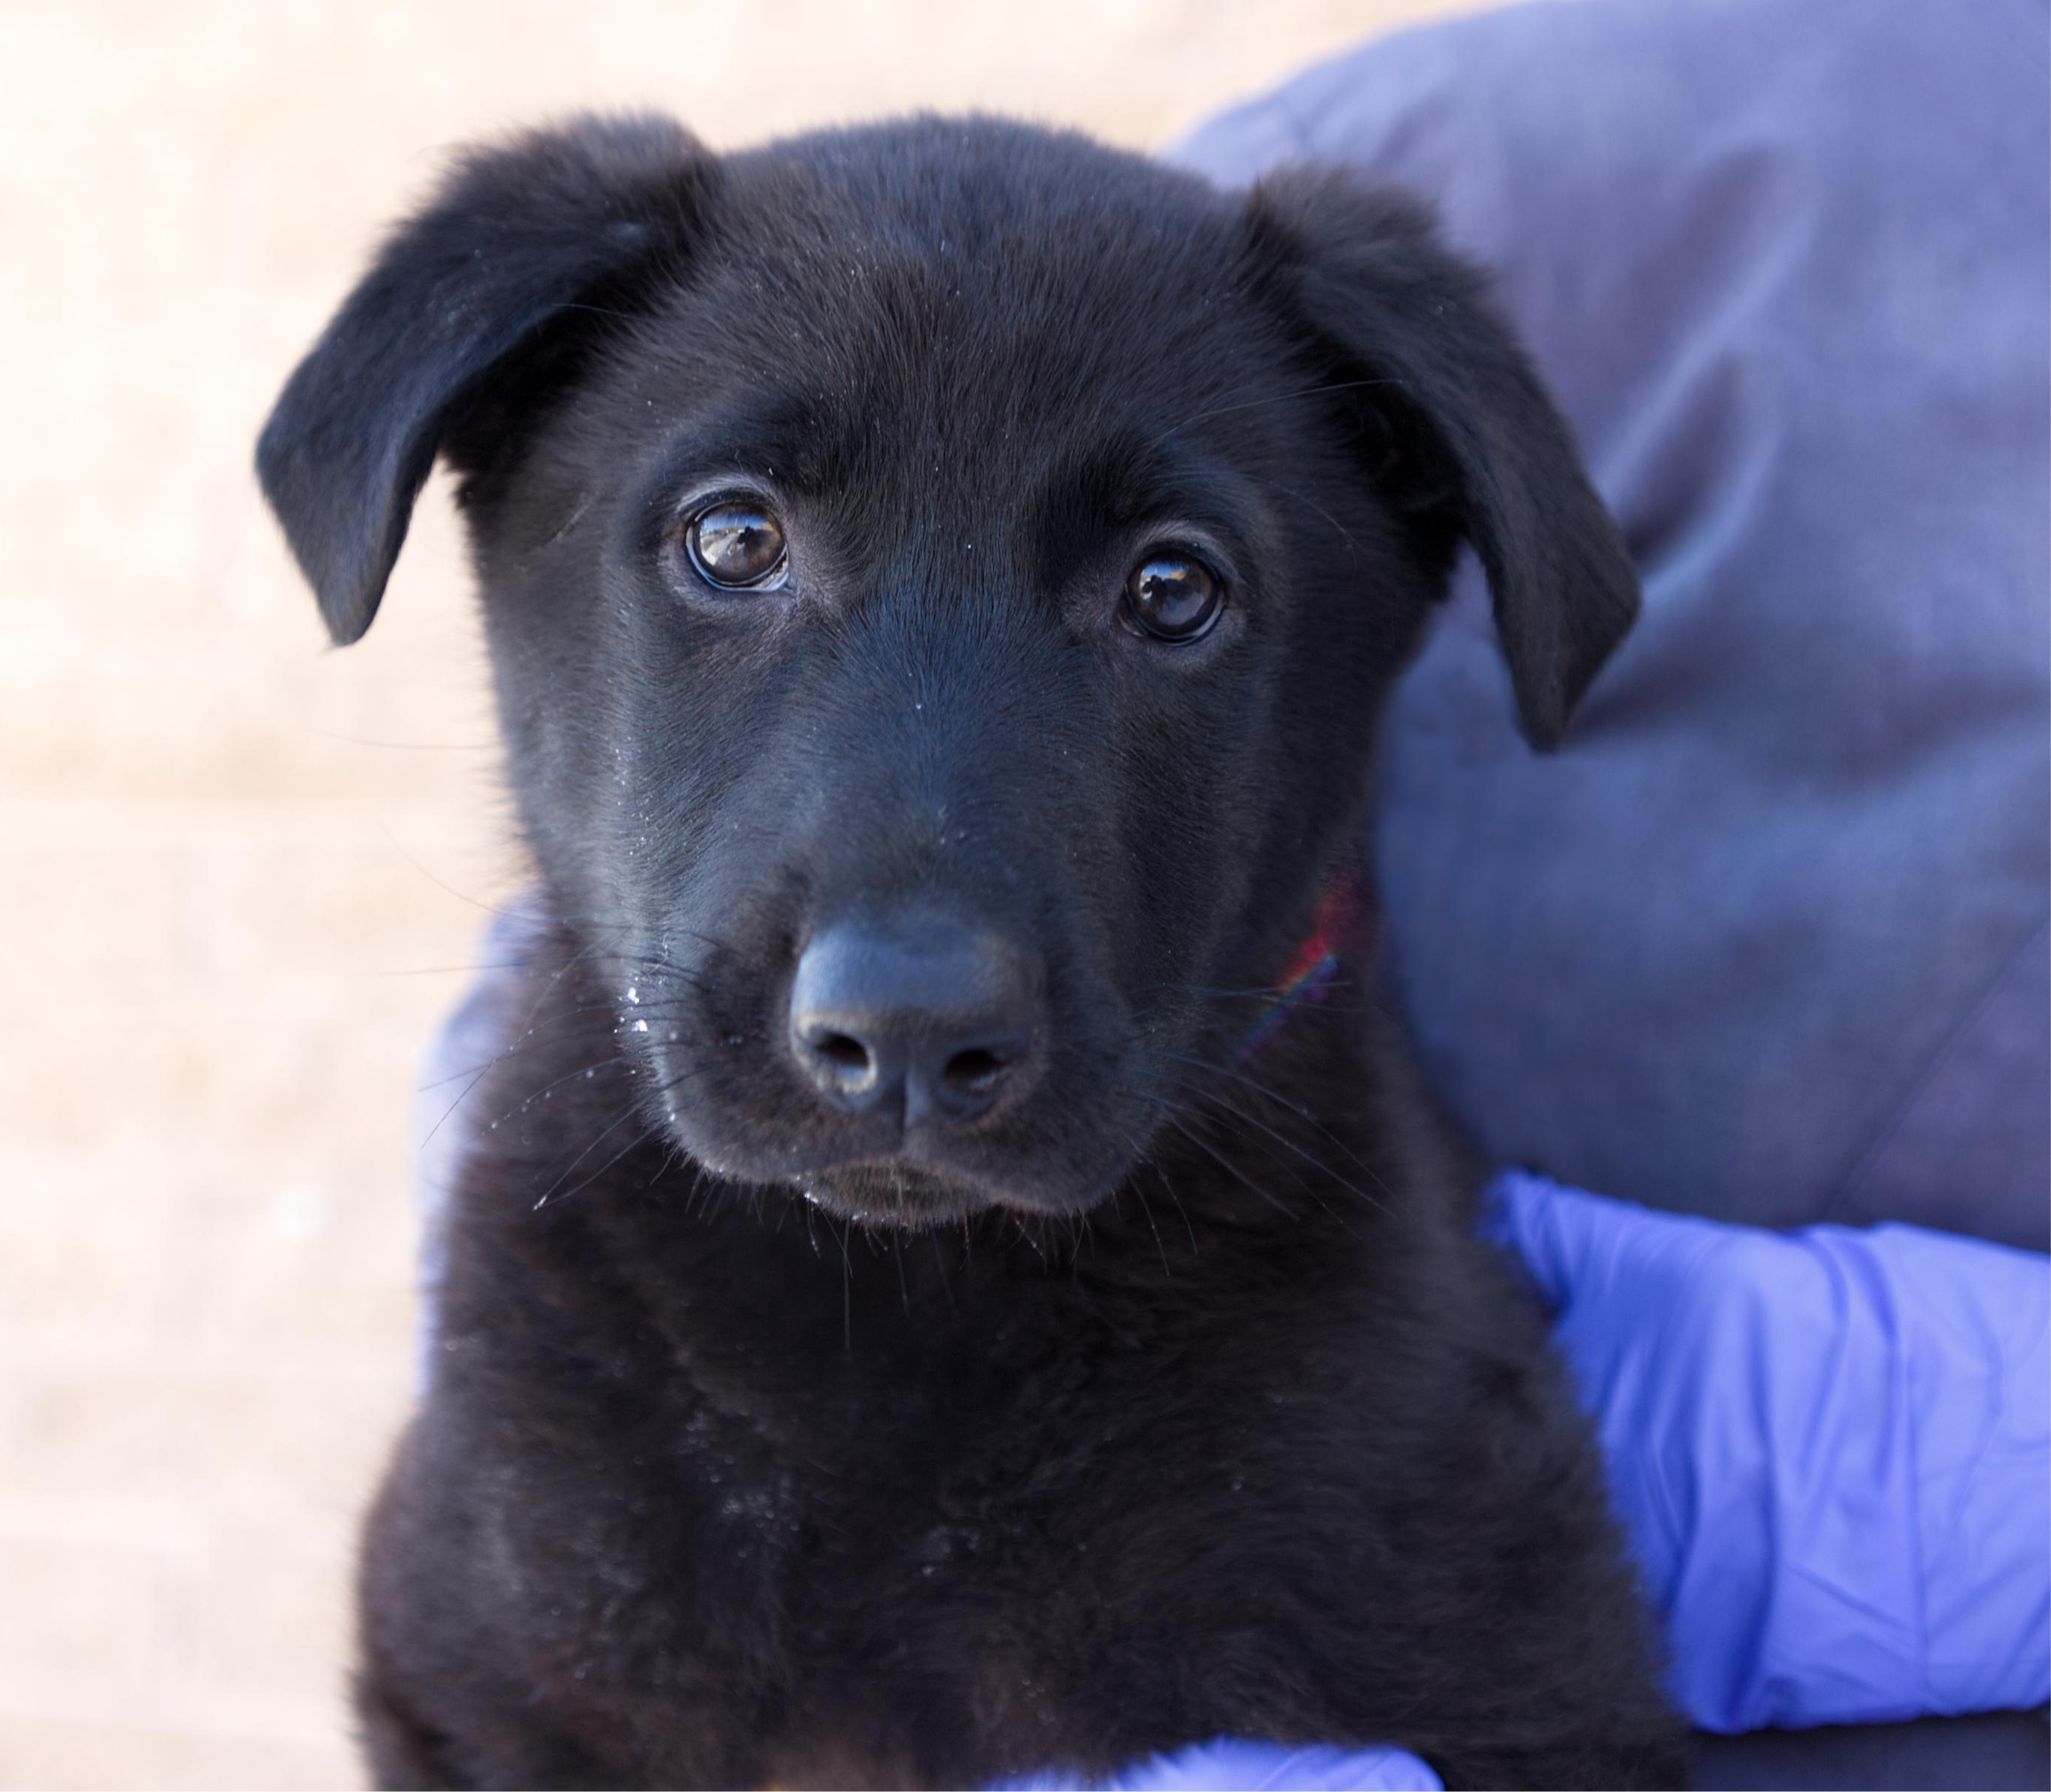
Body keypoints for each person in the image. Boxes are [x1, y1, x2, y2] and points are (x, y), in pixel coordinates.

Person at [415, 1, 2051, 1782]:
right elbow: (453, 1712)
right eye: (734, 546)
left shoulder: (1373, 1419)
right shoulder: (1476, 135)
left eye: (1172, 593)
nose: (905, 978)